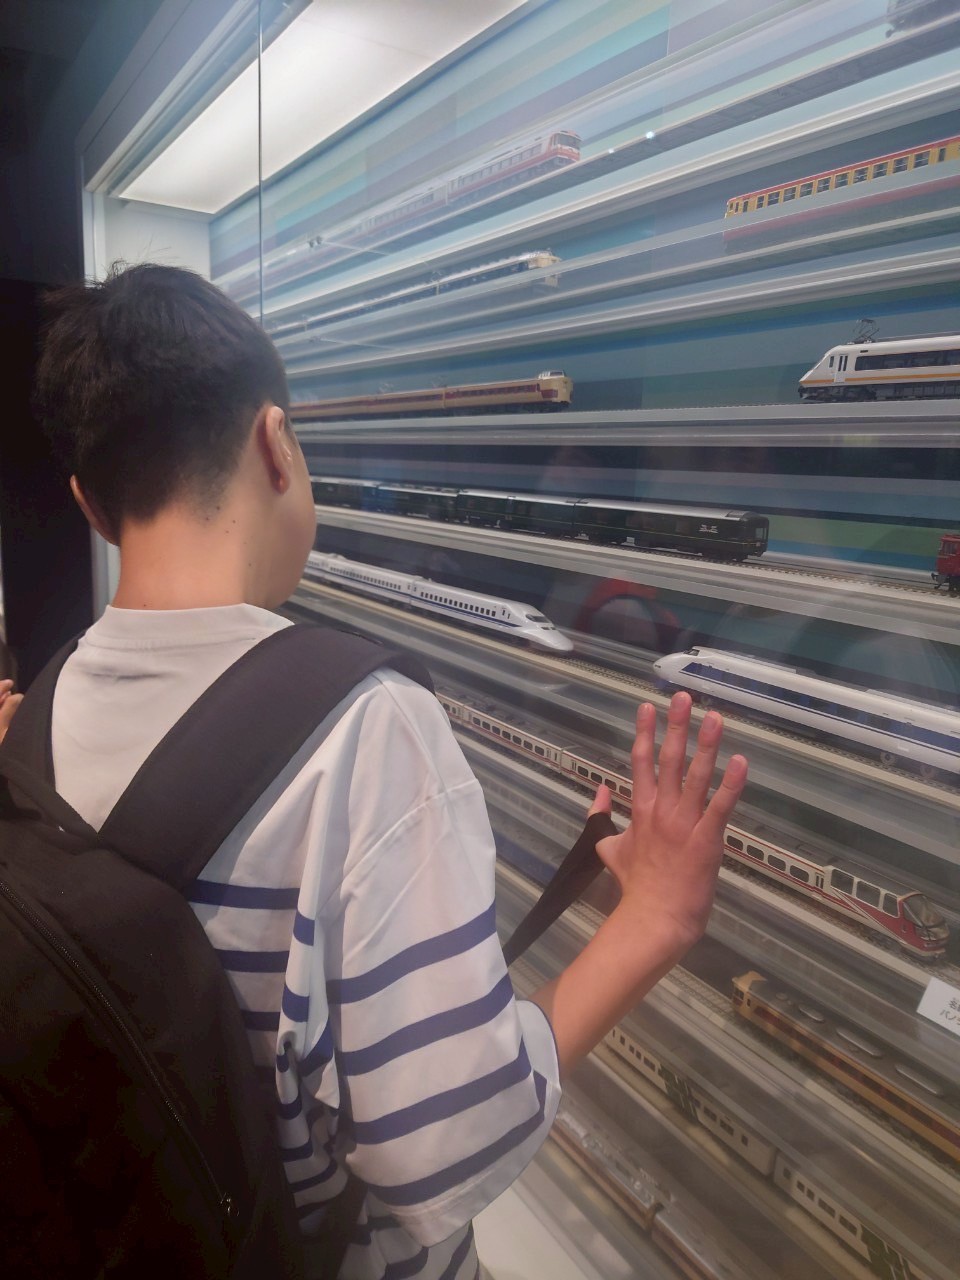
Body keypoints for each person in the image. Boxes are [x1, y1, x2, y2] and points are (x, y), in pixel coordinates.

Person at [32, 263, 747, 1280]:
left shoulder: (43, 707)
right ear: (277, 443)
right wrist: (655, 920)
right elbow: (443, 1152)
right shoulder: (365, 732)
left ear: (90, 506)